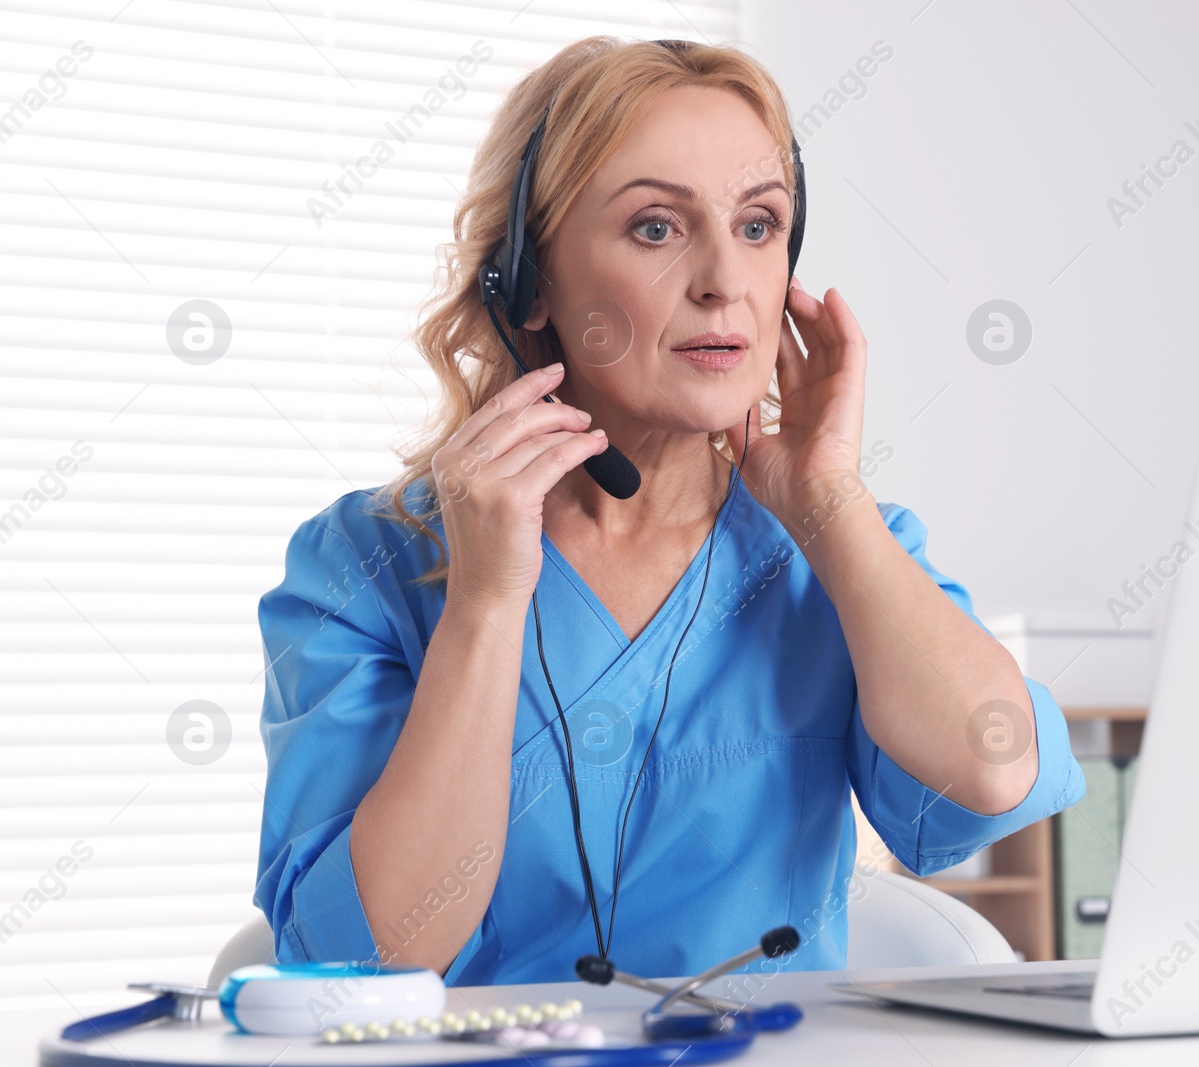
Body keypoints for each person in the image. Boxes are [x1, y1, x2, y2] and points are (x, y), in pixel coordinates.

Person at [253, 35, 1085, 986]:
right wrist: (486, 602)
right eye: (656, 227)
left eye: (760, 225)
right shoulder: (364, 564)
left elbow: (991, 775)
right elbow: (372, 955)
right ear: (528, 285)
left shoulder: (840, 551)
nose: (723, 281)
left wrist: (829, 504)